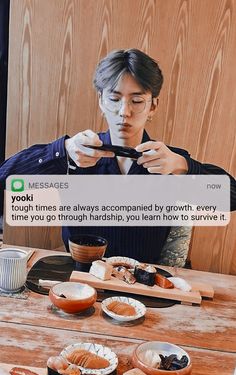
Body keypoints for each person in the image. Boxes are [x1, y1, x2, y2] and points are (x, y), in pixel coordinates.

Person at [0, 48, 235, 263]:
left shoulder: (168, 162)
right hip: (84, 280)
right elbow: (6, 177)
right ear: (101, 101)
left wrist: (183, 166)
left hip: (145, 285)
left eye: (137, 101)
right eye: (114, 99)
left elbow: (231, 198)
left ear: (153, 106)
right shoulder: (77, 154)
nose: (124, 112)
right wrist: (63, 152)